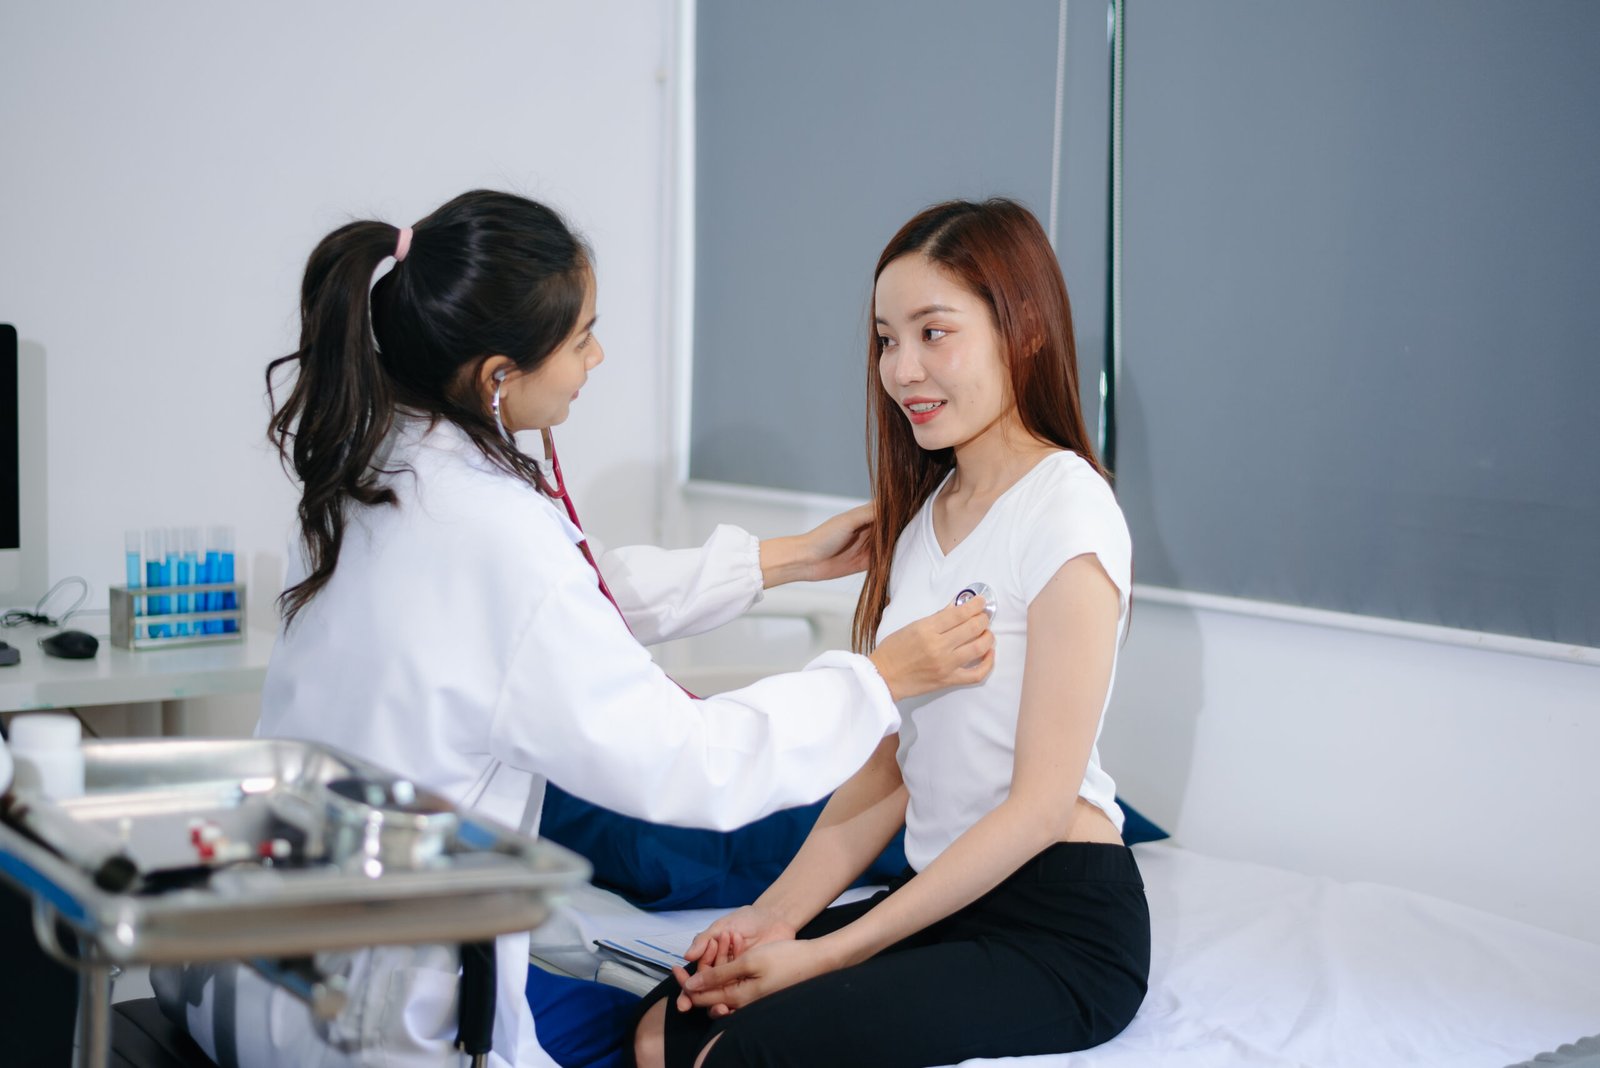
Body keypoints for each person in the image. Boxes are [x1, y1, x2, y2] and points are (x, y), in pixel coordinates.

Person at [155, 190, 993, 1068]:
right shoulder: (493, 532)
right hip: (380, 1011)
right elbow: (689, 763)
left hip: (264, 960)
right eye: (582, 335)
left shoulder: (371, 473)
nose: (598, 355)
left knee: (633, 1004)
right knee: (672, 1034)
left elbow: (554, 606)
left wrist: (778, 560)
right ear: (498, 375)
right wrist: (879, 680)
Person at [633, 198, 1150, 1068]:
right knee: (664, 1026)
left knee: (742, 1054)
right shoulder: (922, 525)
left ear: (1021, 331)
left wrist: (833, 951)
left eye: (932, 332)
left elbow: (1038, 808)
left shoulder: (1068, 508)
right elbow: (891, 765)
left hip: (1059, 921)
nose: (902, 368)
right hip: (945, 896)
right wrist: (774, 917)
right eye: (885, 339)